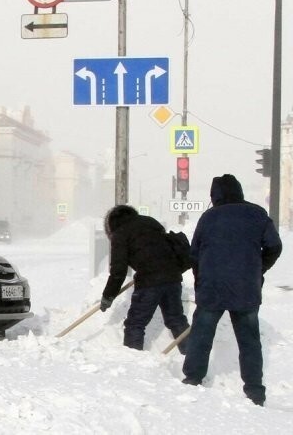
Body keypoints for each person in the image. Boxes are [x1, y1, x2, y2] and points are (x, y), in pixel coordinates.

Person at [182, 174, 282, 406]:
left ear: (214, 195)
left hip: (212, 287)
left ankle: (192, 379)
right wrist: (258, 269)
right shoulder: (257, 214)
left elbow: (194, 254)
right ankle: (255, 390)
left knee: (202, 334)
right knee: (249, 339)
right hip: (246, 288)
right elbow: (274, 246)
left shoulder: (208, 218)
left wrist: (201, 280)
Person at [99, 205, 190, 352]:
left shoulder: (120, 234)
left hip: (149, 282)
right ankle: (192, 359)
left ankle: (133, 363)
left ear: (111, 225)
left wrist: (108, 296)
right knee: (176, 319)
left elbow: (118, 271)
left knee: (135, 324)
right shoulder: (150, 223)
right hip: (172, 277)